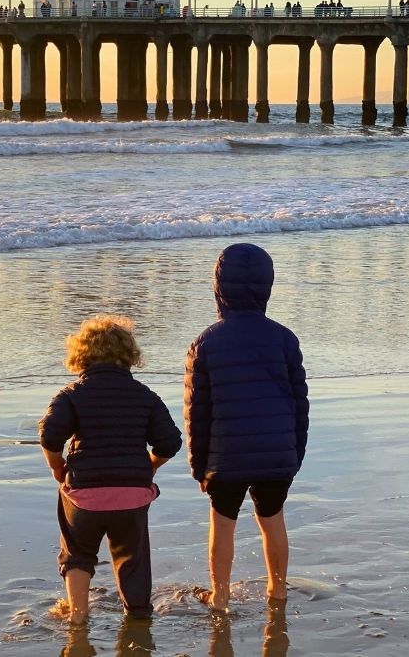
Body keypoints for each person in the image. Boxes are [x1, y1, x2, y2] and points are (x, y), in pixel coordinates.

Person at [184, 243, 310, 612]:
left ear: (219, 288)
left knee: (223, 524)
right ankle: (278, 590)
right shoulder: (284, 338)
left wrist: (198, 465)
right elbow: (299, 404)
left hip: (226, 456)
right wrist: (294, 453)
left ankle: (220, 596)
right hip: (277, 451)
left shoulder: (205, 342)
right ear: (267, 287)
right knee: (272, 520)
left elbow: (197, 411)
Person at [40, 315, 182, 624]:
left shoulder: (71, 395)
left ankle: (78, 616)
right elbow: (169, 442)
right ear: (129, 354)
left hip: (84, 494)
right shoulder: (145, 396)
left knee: (78, 552)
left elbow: (50, 435)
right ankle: (138, 615)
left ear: (81, 354)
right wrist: (151, 465)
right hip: (132, 494)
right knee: (133, 558)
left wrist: (57, 466)